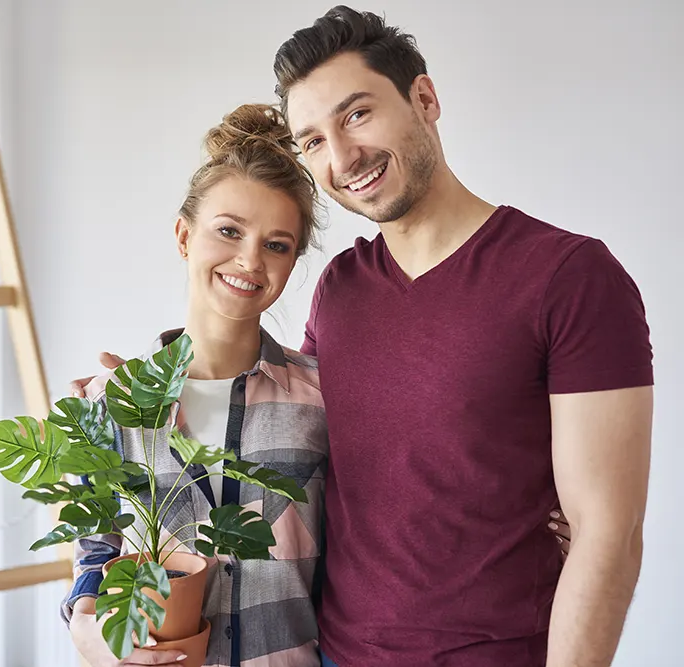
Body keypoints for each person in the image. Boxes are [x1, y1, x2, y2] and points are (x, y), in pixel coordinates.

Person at [75, 6, 649, 667]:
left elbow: (608, 534)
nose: (343, 156)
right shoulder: (342, 289)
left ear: (425, 99)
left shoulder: (569, 276)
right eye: (313, 139)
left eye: (356, 114)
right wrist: (142, 391)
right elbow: (300, 437)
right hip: (337, 654)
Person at [62, 103, 330, 667]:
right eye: (229, 231)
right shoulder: (111, 402)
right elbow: (94, 560)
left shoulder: (321, 400)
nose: (250, 260)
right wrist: (90, 636)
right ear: (184, 235)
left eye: (277, 245)